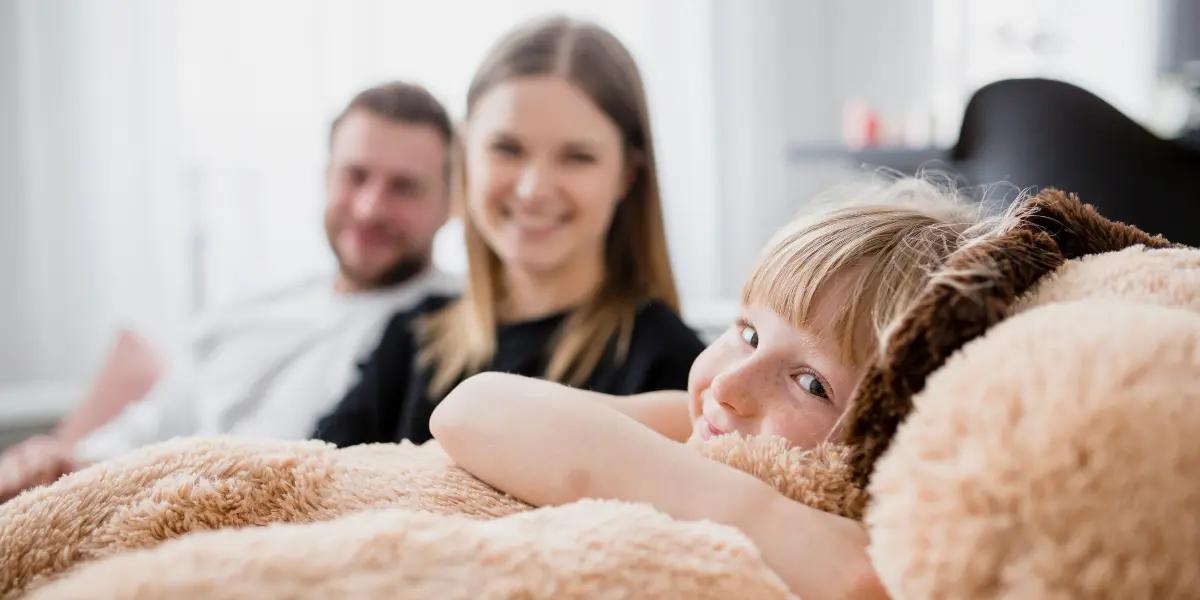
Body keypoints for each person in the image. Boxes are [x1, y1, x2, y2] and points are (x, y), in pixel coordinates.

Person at [430, 177, 1004, 599]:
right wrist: (766, 520)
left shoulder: (891, 550)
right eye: (749, 333)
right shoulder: (687, 426)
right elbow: (469, 409)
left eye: (810, 383)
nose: (728, 384)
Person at [0, 82, 458, 502]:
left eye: (404, 188)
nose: (369, 207)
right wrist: (62, 460)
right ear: (326, 177)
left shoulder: (454, 329)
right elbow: (154, 423)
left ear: (448, 203)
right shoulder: (252, 307)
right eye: (355, 176)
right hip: (134, 505)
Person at [313, 17, 704, 447]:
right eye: (507, 149)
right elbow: (308, 485)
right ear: (466, 156)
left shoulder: (672, 366)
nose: (533, 190)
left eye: (577, 157)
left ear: (626, 176)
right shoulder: (411, 337)